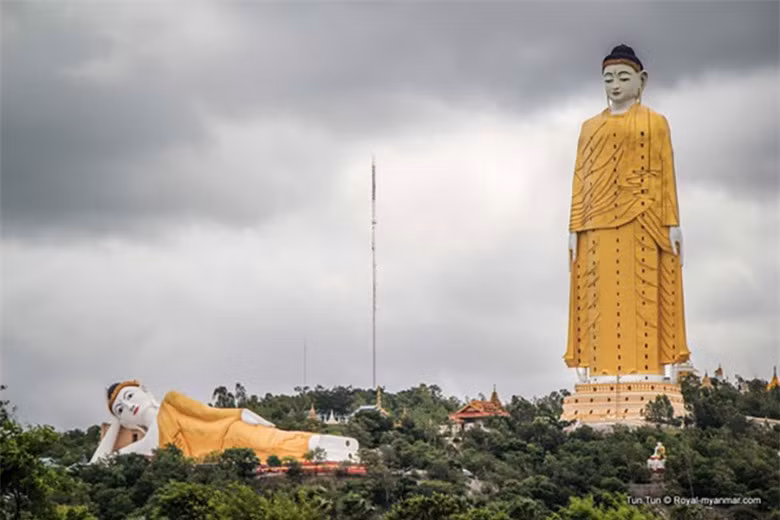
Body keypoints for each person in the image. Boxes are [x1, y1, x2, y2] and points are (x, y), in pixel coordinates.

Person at [564, 45, 690, 382]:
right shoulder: (589, 127)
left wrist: (672, 222)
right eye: (608, 79)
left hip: (644, 219)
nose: (615, 85)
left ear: (641, 80)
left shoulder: (656, 123)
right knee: (598, 298)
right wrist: (574, 225)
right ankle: (600, 373)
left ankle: (646, 373)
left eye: (623, 77)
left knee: (644, 295)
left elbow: (666, 174)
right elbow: (580, 176)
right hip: (597, 221)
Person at [89, 380, 358, 464]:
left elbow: (207, 413)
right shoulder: (148, 442)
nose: (129, 406)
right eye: (121, 409)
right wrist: (115, 425)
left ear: (144, 390)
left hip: (229, 431)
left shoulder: (170, 402)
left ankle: (334, 447)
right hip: (223, 454)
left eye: (129, 396)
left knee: (275, 440)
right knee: (273, 454)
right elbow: (97, 465)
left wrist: (240, 413)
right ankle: (334, 454)